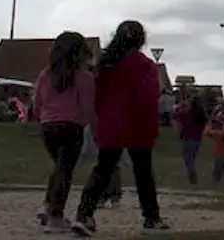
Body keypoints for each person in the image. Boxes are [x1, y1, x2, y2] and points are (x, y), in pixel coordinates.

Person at [72, 21, 168, 236]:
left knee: (103, 169)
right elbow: (149, 95)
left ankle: (84, 214)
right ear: (141, 40)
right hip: (138, 123)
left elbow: (97, 95)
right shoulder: (145, 66)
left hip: (112, 123)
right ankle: (151, 217)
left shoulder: (106, 65)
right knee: (143, 172)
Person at [32, 31, 95, 233]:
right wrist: (92, 126)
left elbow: (36, 103)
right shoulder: (83, 77)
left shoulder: (46, 74)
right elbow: (87, 106)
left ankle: (48, 205)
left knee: (59, 168)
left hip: (48, 126)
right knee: (64, 172)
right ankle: (55, 215)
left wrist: (43, 118)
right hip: (71, 126)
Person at [173, 95, 209, 184]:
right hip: (197, 139)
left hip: (187, 138)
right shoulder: (201, 114)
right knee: (192, 158)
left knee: (188, 160)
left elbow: (175, 115)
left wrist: (181, 106)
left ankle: (193, 179)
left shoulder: (187, 114)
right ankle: (192, 178)